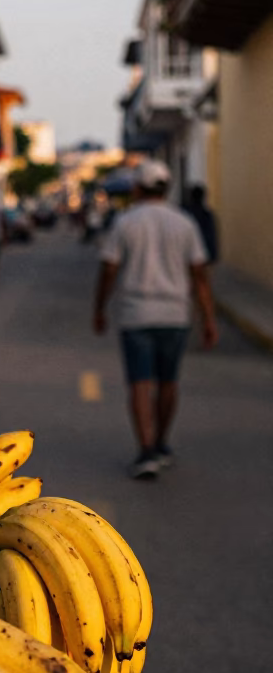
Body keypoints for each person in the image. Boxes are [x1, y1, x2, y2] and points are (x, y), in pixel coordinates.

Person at [92, 159, 217, 480]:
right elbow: (199, 275)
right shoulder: (184, 223)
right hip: (175, 315)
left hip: (136, 314)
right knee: (168, 383)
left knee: (139, 383)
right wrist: (209, 319)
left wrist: (100, 308)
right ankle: (161, 443)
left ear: (137, 188)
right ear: (166, 188)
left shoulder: (125, 222)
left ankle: (145, 450)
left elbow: (109, 269)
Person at [183, 184, 219, 264]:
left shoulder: (185, 214)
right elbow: (211, 235)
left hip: (188, 255)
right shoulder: (206, 214)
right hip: (204, 255)